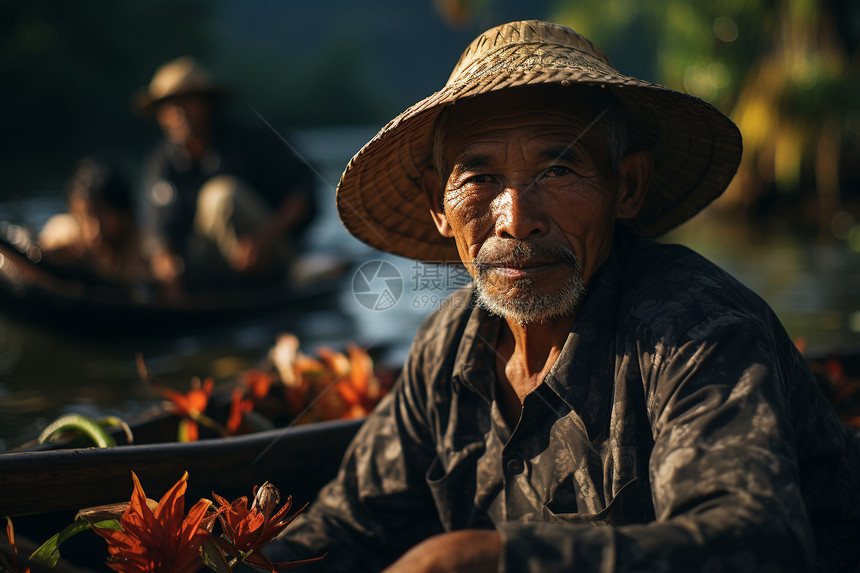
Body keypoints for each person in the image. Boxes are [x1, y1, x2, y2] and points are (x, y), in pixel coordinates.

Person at [264, 20, 860, 572]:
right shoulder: (448, 347)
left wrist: (491, 558)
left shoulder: (693, 328)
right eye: (479, 178)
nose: (516, 219)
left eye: (558, 170)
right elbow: (348, 525)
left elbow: (757, 542)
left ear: (626, 188)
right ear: (438, 206)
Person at [134, 56, 316, 291]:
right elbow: (158, 226)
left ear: (207, 103)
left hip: (270, 252)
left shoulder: (250, 141)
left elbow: (302, 187)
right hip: (207, 264)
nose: (177, 113)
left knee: (221, 195)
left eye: (186, 101)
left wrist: (264, 238)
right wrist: (165, 261)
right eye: (168, 106)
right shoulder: (161, 164)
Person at [38, 157, 148, 285]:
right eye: (85, 217)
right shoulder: (64, 236)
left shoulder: (146, 247)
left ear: (126, 214)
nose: (95, 231)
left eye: (104, 216)